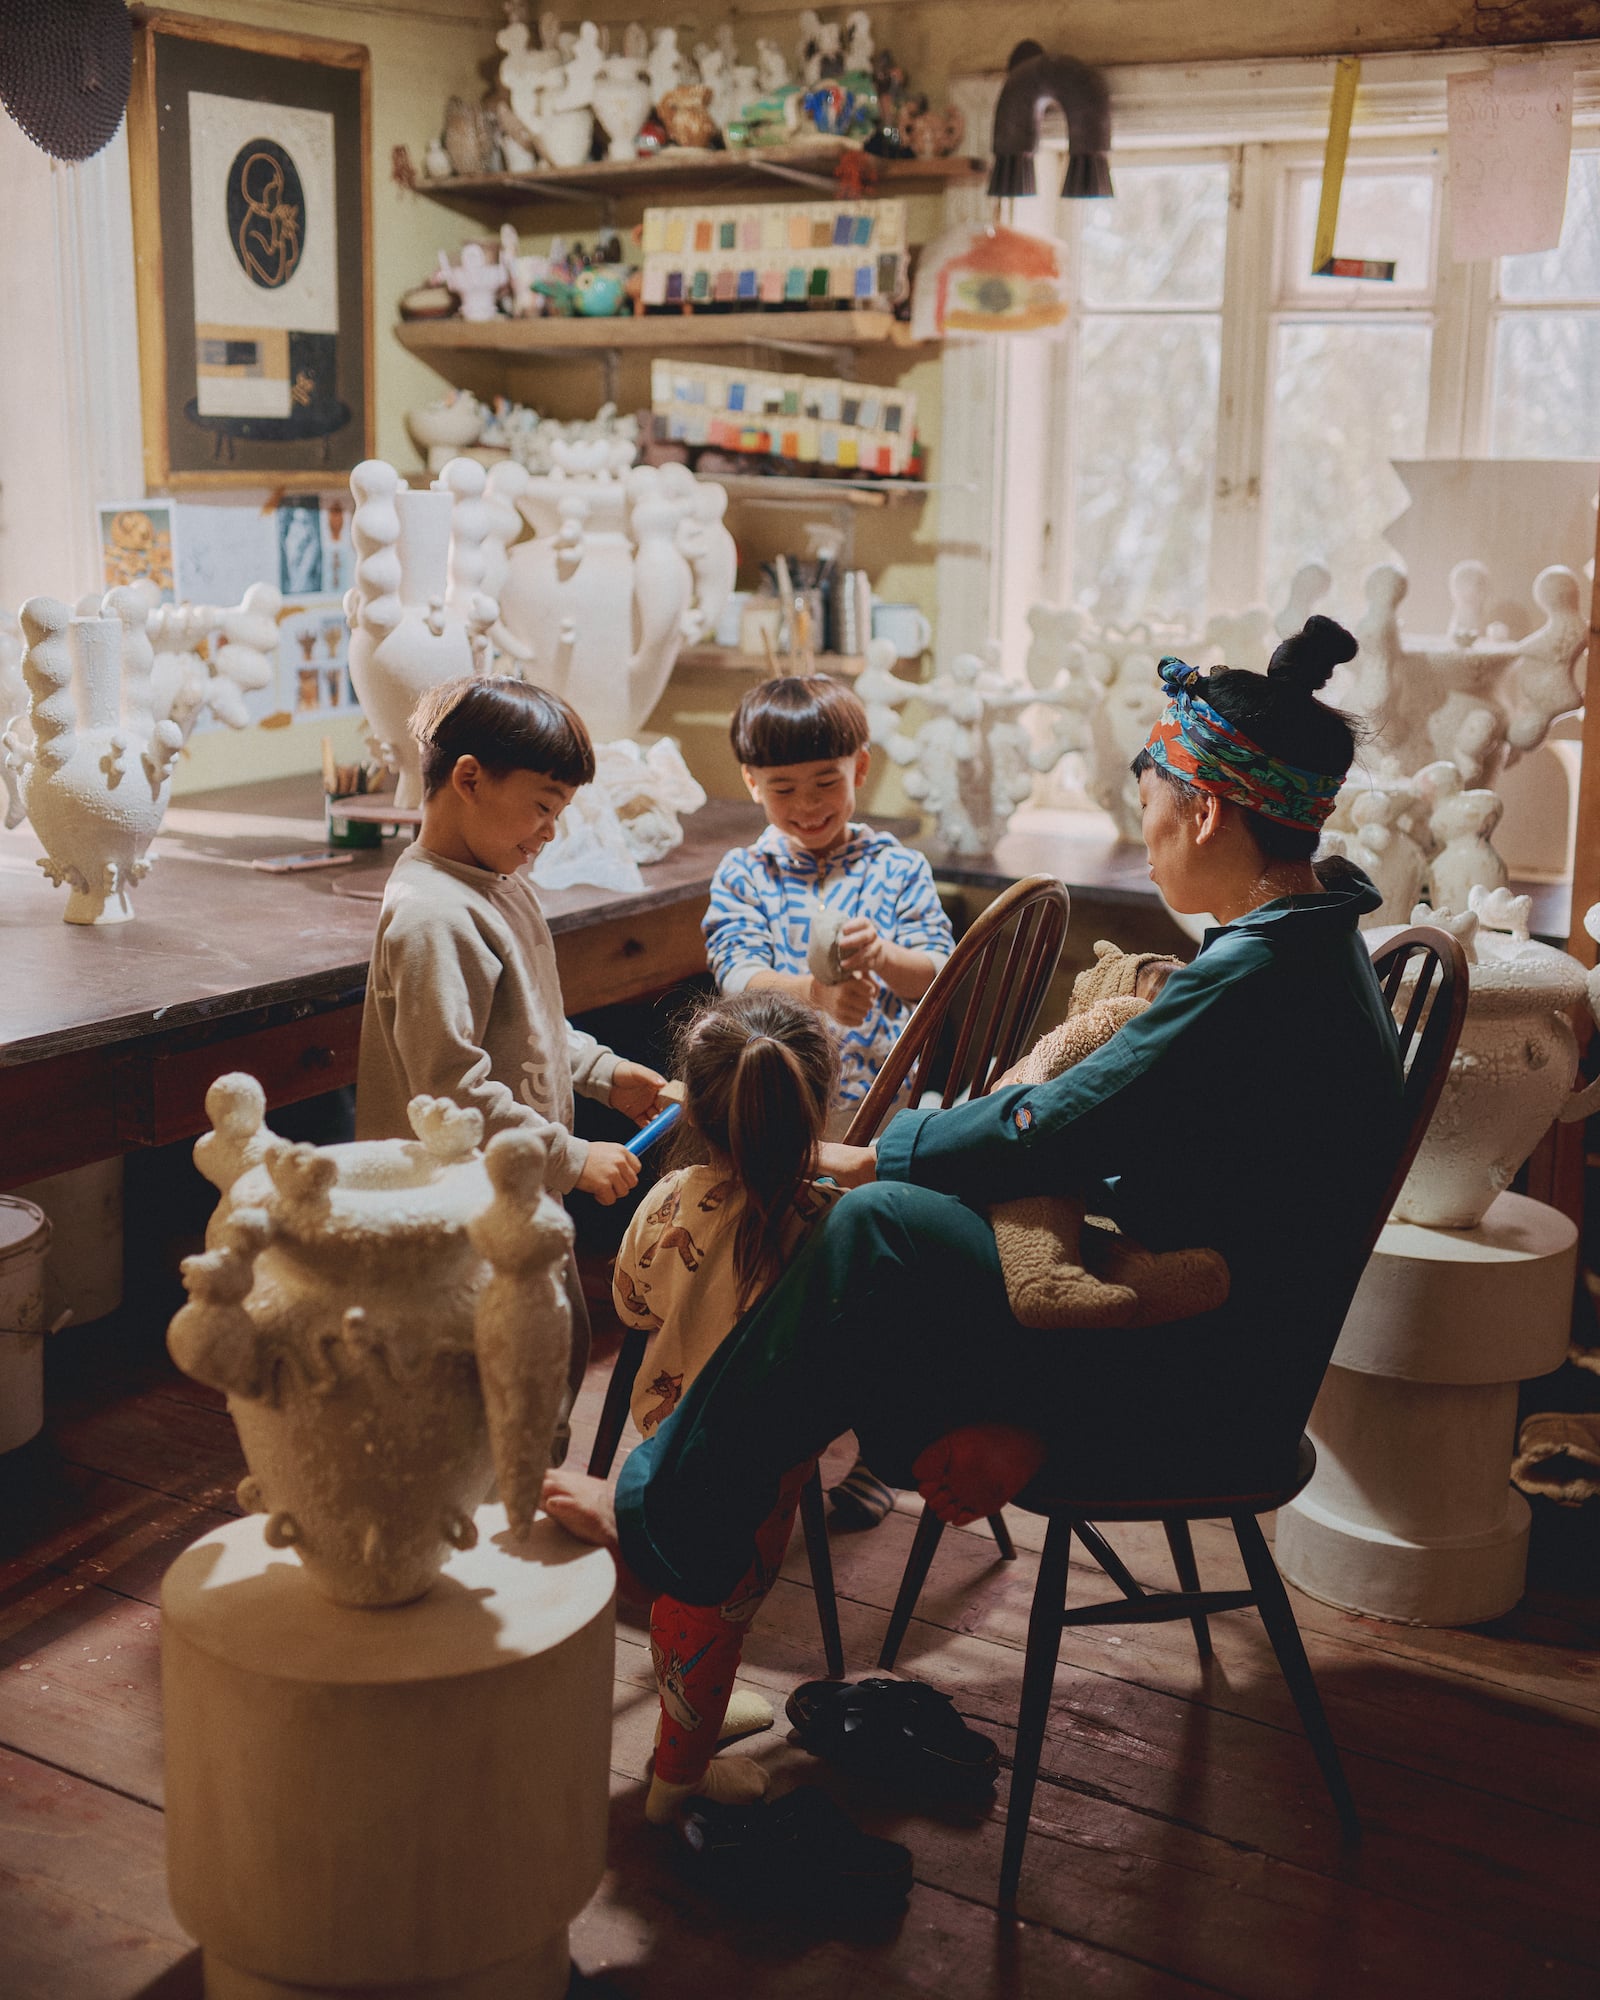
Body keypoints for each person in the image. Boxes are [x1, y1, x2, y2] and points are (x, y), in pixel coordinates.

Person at [544, 616, 1407, 1605]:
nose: (1146, 835)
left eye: (1147, 808)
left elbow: (1065, 1118)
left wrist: (879, 1153)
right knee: (890, 1231)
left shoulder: (1252, 977)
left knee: (871, 1224)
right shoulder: (1310, 943)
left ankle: (676, 1520)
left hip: (1197, 1368)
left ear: (1204, 812)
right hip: (1219, 1323)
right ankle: (849, 1468)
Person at [357, 676, 669, 1462]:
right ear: (469, 778)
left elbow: (534, 1022)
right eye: (542, 805)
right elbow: (449, 1091)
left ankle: (526, 1498)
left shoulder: (499, 887)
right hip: (458, 1215)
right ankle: (494, 1518)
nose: (550, 832)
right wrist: (569, 1155)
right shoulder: (433, 917)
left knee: (548, 1360)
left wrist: (603, 1073)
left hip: (516, 1192)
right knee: (479, 1400)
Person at [704, 674, 956, 1530]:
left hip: (880, 1113)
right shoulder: (745, 873)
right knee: (766, 1270)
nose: (808, 806)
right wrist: (811, 993)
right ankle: (773, 1433)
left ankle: (877, 1447)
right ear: (751, 783)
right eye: (783, 790)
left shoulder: (895, 868)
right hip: (779, 1114)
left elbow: (941, 972)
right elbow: (735, 974)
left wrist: (883, 957)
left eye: (826, 782)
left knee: (876, 1279)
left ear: (862, 769)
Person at [610, 990, 841, 1822]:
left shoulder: (669, 1200)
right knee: (722, 1604)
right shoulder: (825, 1222)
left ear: (698, 1111)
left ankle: (689, 1709)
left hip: (665, 1438)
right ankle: (680, 1779)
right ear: (814, 1107)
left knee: (687, 1586)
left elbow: (631, 1303)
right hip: (759, 1461)